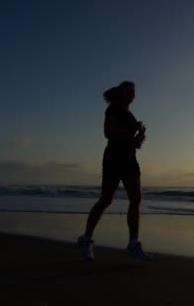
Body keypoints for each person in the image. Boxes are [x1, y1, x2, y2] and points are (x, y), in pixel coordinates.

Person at [78, 81, 152, 261]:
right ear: (121, 93)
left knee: (136, 198)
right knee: (106, 199)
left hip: (130, 159)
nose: (132, 96)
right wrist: (131, 129)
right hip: (113, 159)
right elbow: (108, 133)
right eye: (129, 92)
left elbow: (132, 143)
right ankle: (86, 239)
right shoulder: (112, 110)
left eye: (134, 93)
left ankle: (133, 244)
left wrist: (139, 137)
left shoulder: (130, 115)